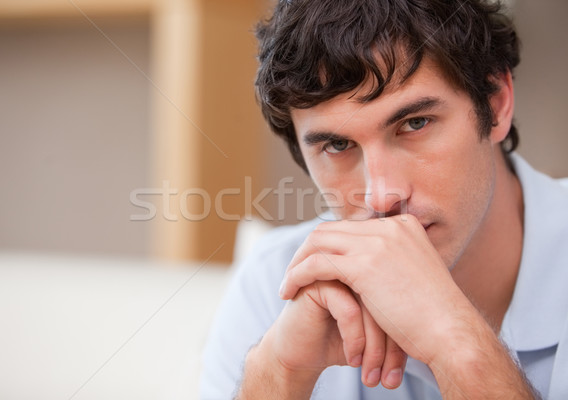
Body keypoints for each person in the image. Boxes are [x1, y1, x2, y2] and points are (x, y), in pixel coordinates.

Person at [201, 0, 568, 398]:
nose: (382, 195)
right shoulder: (272, 282)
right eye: (338, 144)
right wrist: (282, 373)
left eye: (415, 123)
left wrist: (458, 345)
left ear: (496, 103)